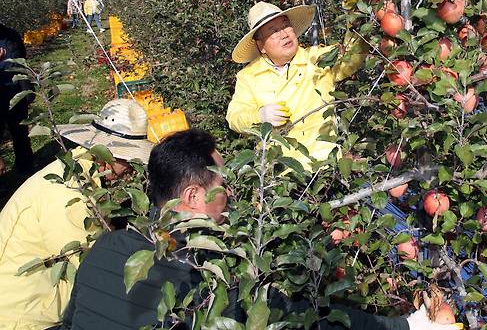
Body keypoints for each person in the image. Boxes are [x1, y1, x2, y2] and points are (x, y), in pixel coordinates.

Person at [60, 129, 459, 330]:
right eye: (222, 184)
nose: (230, 193)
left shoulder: (105, 248)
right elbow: (311, 322)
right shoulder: (209, 282)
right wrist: (409, 325)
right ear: (194, 197)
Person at [0, 99, 153, 330]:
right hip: (27, 314)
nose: (132, 169)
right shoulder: (70, 196)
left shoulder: (81, 175)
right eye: (129, 160)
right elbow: (93, 265)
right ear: (109, 156)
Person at [226, 2, 367, 169]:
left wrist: (359, 15)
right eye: (273, 31)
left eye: (286, 26)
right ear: (261, 46)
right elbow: (234, 117)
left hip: (325, 166)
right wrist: (259, 117)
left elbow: (352, 56)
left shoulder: (317, 59)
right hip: (280, 173)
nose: (284, 34)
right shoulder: (249, 77)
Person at [0, 22, 34, 175]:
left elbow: (21, 62)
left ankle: (25, 168)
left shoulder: (11, 35)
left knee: (20, 133)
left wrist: (26, 87)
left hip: (15, 93)